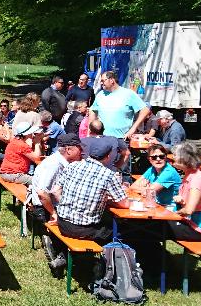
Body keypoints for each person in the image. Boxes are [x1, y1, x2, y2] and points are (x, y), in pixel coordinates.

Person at [54, 140, 130, 245]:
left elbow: (55, 190)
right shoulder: (108, 175)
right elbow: (125, 204)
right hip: (84, 229)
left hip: (62, 224)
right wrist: (107, 202)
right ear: (108, 156)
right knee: (121, 228)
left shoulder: (73, 166)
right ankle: (114, 254)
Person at [29, 134, 83, 264]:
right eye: (79, 148)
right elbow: (42, 193)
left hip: (49, 204)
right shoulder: (54, 165)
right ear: (68, 150)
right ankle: (61, 254)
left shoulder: (59, 161)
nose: (82, 151)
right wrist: (53, 213)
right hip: (43, 208)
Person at [171, 143, 201, 244]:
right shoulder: (189, 175)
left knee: (161, 227)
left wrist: (171, 214)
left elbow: (189, 210)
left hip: (199, 229)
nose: (173, 157)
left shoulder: (196, 178)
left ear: (185, 159)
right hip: (191, 222)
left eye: (175, 155)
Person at [89, 71, 150, 138]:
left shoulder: (128, 94)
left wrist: (133, 129)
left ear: (112, 80)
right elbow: (92, 110)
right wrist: (91, 131)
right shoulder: (100, 95)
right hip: (102, 138)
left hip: (121, 139)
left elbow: (145, 110)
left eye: (103, 81)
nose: (101, 83)